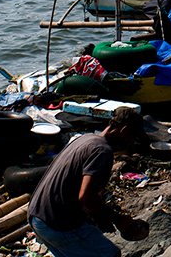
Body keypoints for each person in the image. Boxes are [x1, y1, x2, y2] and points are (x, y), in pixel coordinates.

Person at [28, 107, 149, 257]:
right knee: (110, 254)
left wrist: (99, 217)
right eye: (133, 138)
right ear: (124, 131)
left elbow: (78, 189)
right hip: (57, 222)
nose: (131, 143)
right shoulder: (102, 151)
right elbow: (86, 195)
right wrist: (118, 219)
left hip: (37, 216)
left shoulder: (85, 138)